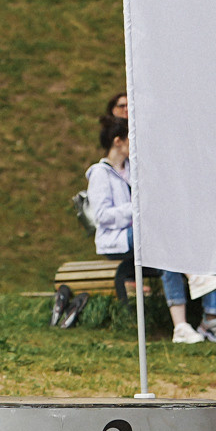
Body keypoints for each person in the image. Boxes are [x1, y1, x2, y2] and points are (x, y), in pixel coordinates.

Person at [83, 115, 136, 299]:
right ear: (118, 141)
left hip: (135, 233)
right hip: (116, 238)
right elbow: (102, 216)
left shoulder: (133, 169)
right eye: (131, 138)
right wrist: (136, 209)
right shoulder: (100, 173)